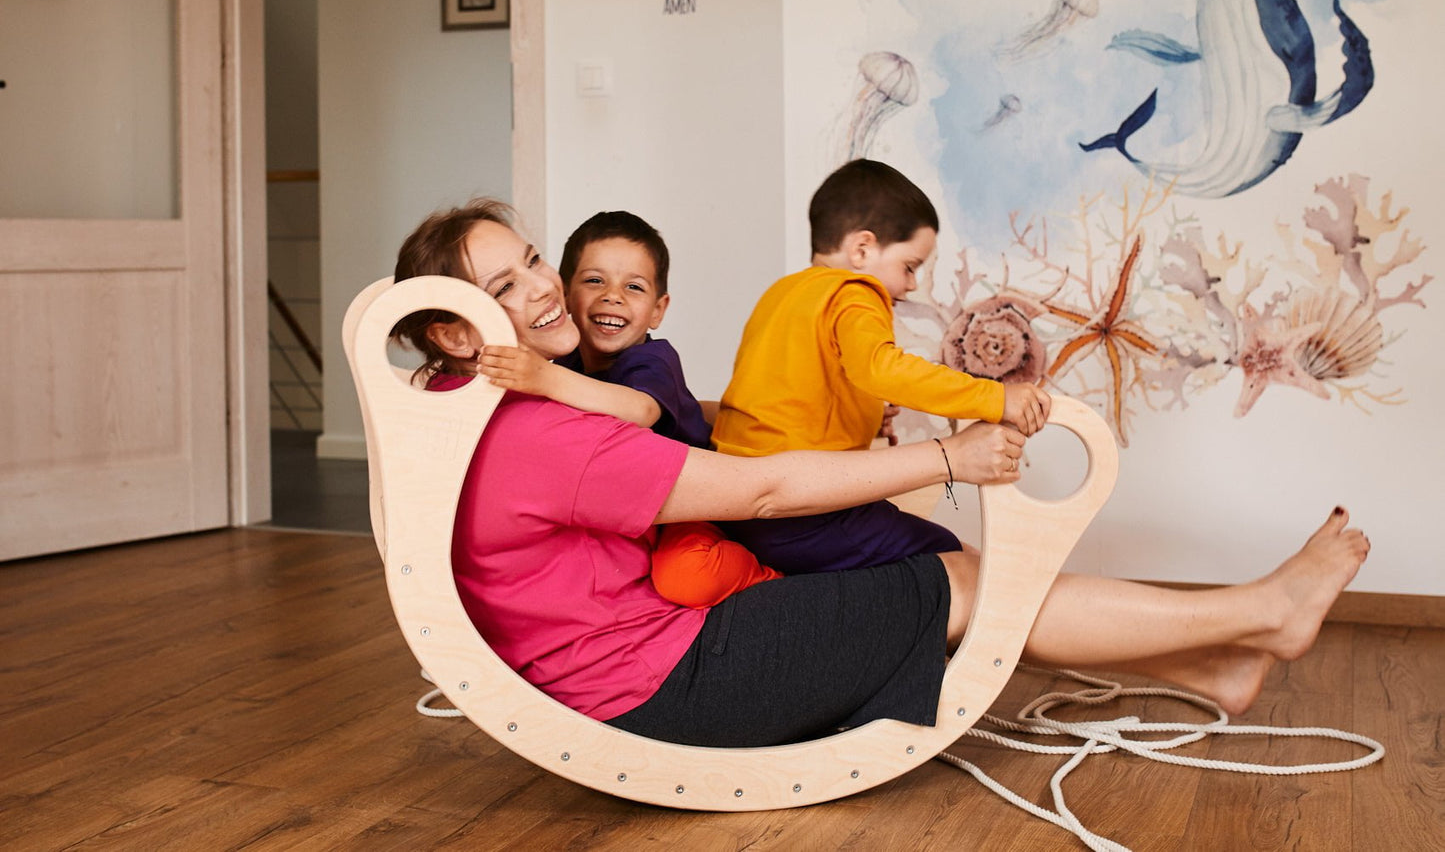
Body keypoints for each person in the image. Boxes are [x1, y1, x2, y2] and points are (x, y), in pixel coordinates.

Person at [389, 198, 1370, 749]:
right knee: (947, 583)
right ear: (446, 326)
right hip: (660, 683)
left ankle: (1217, 660)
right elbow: (758, 492)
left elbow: (687, 443)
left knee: (924, 586)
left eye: (530, 260)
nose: (544, 287)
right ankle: (1261, 615)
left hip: (633, 655)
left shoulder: (453, 404)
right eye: (502, 285)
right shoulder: (541, 430)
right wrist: (941, 455)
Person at [711, 158, 1051, 574]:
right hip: (800, 512)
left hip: (736, 499)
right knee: (951, 556)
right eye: (909, 266)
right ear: (862, 249)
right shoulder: (855, 290)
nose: (910, 285)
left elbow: (795, 389)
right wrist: (996, 397)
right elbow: (881, 368)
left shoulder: (782, 294)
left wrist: (866, 414)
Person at [474, 210, 781, 609]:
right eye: (594, 280)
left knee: (685, 578)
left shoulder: (653, 361)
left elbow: (640, 411)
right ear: (565, 294)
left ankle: (771, 577)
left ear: (657, 309)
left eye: (634, 287)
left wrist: (543, 378)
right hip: (624, 509)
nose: (612, 295)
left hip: (690, 505)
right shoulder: (566, 364)